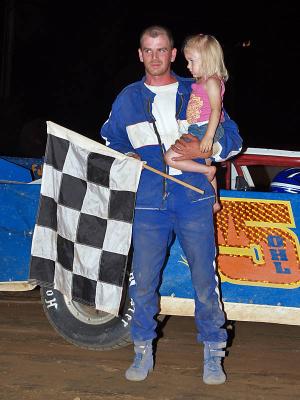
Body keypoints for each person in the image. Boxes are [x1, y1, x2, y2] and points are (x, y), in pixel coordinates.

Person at [101, 25, 242, 385]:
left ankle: (213, 352)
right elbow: (110, 139)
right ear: (139, 54)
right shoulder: (128, 98)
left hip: (193, 199)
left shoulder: (193, 89)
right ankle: (141, 350)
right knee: (144, 282)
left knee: (204, 281)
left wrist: (208, 149)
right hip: (148, 205)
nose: (155, 57)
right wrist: (127, 154)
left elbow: (233, 139)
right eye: (148, 50)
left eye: (162, 49)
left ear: (174, 54)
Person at [164, 33, 229, 213]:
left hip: (205, 129)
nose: (188, 66)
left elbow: (216, 110)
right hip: (198, 127)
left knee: (170, 158)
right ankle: (215, 201)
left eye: (192, 61)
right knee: (206, 165)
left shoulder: (212, 82)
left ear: (207, 60)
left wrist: (208, 136)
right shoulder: (202, 82)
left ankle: (207, 173)